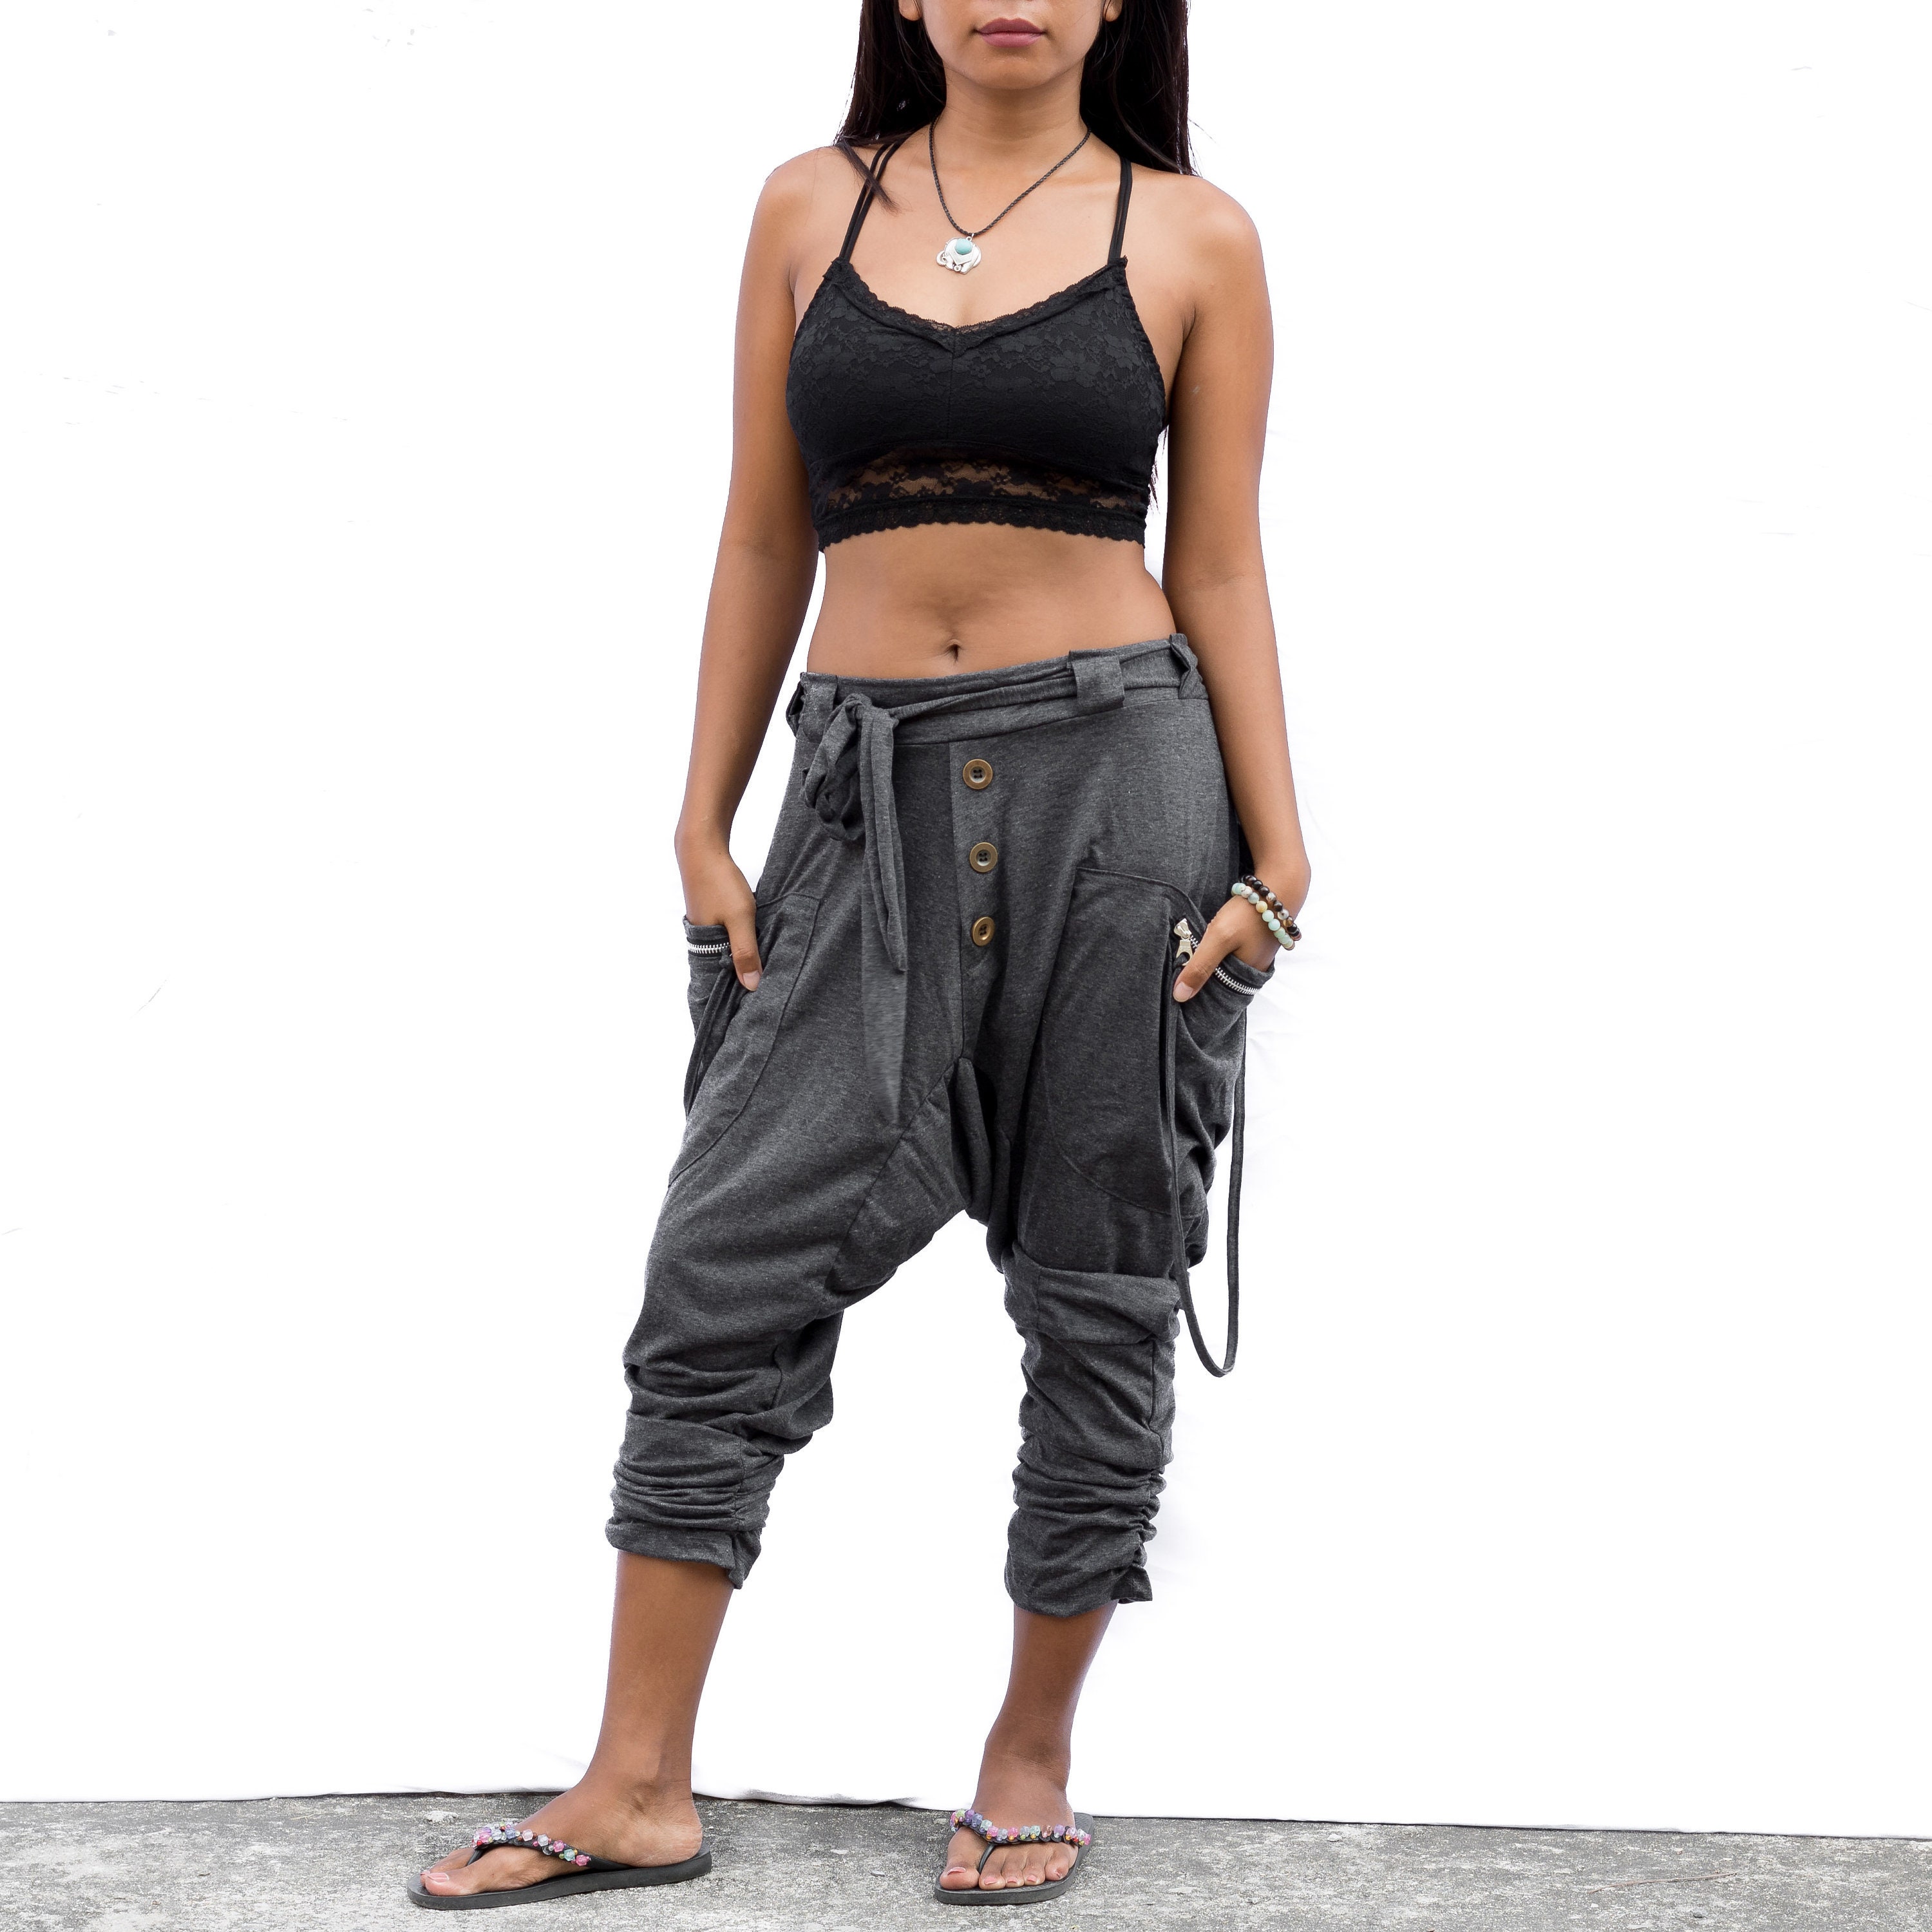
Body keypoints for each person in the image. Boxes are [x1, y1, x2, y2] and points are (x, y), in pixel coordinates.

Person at [411, 0, 1309, 1910]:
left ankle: (1029, 1754)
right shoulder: (807, 207)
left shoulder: (1195, 235)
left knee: (1101, 1269)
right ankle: (634, 1785)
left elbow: (1220, 560)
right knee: (724, 1260)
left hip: (1124, 792)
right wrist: (701, 819)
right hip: (859, 788)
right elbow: (763, 535)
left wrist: (1282, 854)